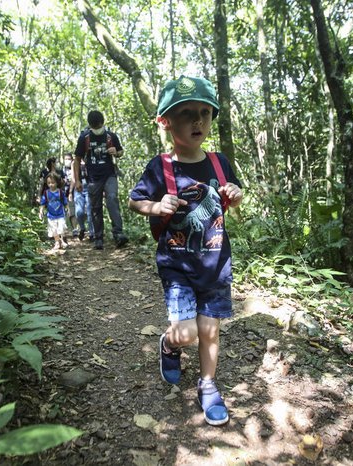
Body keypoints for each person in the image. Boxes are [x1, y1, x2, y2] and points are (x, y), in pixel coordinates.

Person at [128, 76, 243, 426]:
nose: (198, 121)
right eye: (187, 113)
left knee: (210, 330)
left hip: (216, 264)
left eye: (204, 113)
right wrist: (155, 207)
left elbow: (231, 200)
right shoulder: (160, 166)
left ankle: (208, 384)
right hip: (177, 265)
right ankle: (169, 344)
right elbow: (135, 201)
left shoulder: (220, 162)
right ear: (166, 122)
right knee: (187, 333)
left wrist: (236, 196)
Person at [72, 110, 128, 250]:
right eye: (94, 127)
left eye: (98, 127)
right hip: (92, 178)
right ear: (90, 125)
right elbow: (77, 160)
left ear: (103, 123)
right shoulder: (84, 137)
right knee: (95, 207)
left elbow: (121, 152)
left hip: (109, 175)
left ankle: (118, 234)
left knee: (112, 198)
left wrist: (116, 152)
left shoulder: (111, 136)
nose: (96, 130)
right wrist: (77, 180)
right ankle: (98, 238)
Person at [39, 172, 69, 251]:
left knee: (61, 228)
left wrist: (67, 208)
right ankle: (57, 242)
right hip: (51, 215)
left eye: (53, 182)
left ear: (57, 182)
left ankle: (61, 240)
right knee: (54, 229)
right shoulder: (46, 193)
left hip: (60, 214)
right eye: (49, 183)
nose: (51, 185)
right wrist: (41, 211)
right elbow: (42, 203)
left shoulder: (60, 192)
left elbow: (65, 202)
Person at [74, 157, 94, 241]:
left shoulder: (91, 160)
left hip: (89, 187)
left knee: (90, 212)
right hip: (79, 188)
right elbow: (73, 177)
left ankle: (92, 233)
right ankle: (82, 228)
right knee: (79, 212)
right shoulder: (74, 163)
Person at [62, 152, 79, 238]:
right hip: (62, 192)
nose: (67, 161)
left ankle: (75, 229)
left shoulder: (75, 168)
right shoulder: (61, 170)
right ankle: (62, 230)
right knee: (63, 211)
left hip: (72, 192)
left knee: (72, 211)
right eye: (66, 159)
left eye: (69, 159)